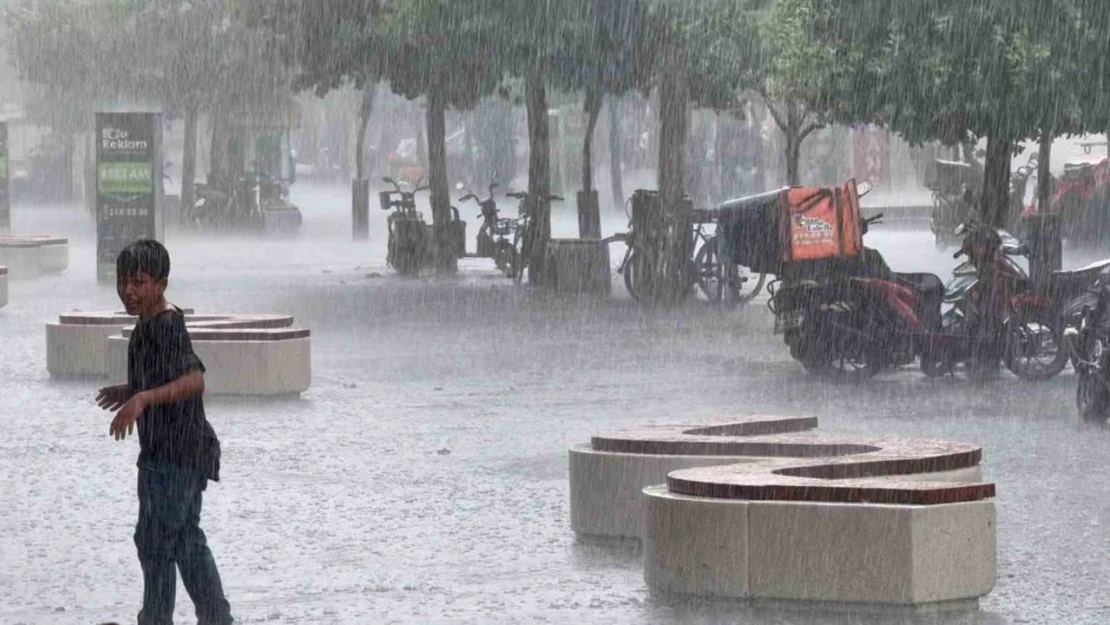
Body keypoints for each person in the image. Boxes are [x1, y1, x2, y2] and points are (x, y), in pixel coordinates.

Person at [95, 240, 233, 625]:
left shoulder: (167, 325)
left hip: (175, 454)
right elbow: (164, 378)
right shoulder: (150, 324)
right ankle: (216, 617)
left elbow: (194, 381)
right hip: (176, 451)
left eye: (139, 282)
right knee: (184, 540)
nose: (129, 291)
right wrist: (129, 390)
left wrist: (141, 400)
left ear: (162, 284)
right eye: (123, 281)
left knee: (156, 543)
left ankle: (157, 618)